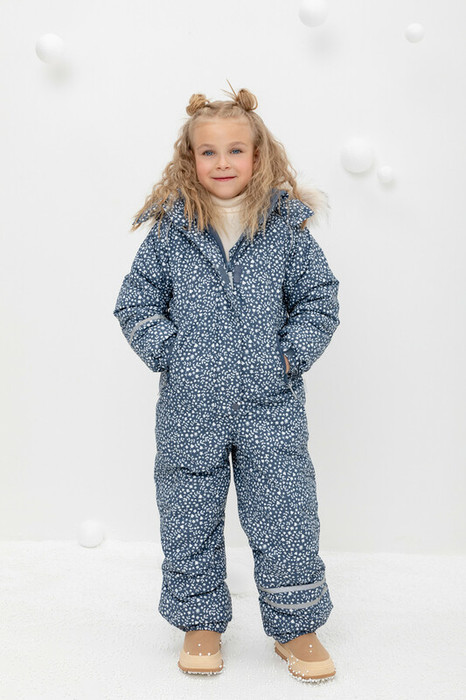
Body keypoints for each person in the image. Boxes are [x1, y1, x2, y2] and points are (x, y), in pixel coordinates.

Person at [113, 83, 340, 683]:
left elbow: (319, 300)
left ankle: (296, 625)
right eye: (208, 152)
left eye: (235, 150)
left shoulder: (286, 229)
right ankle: (200, 621)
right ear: (189, 159)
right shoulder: (171, 230)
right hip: (190, 407)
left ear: (258, 156)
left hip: (272, 403)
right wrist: (175, 356)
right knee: (188, 512)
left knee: (285, 513)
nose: (222, 163)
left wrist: (288, 357)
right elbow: (135, 304)